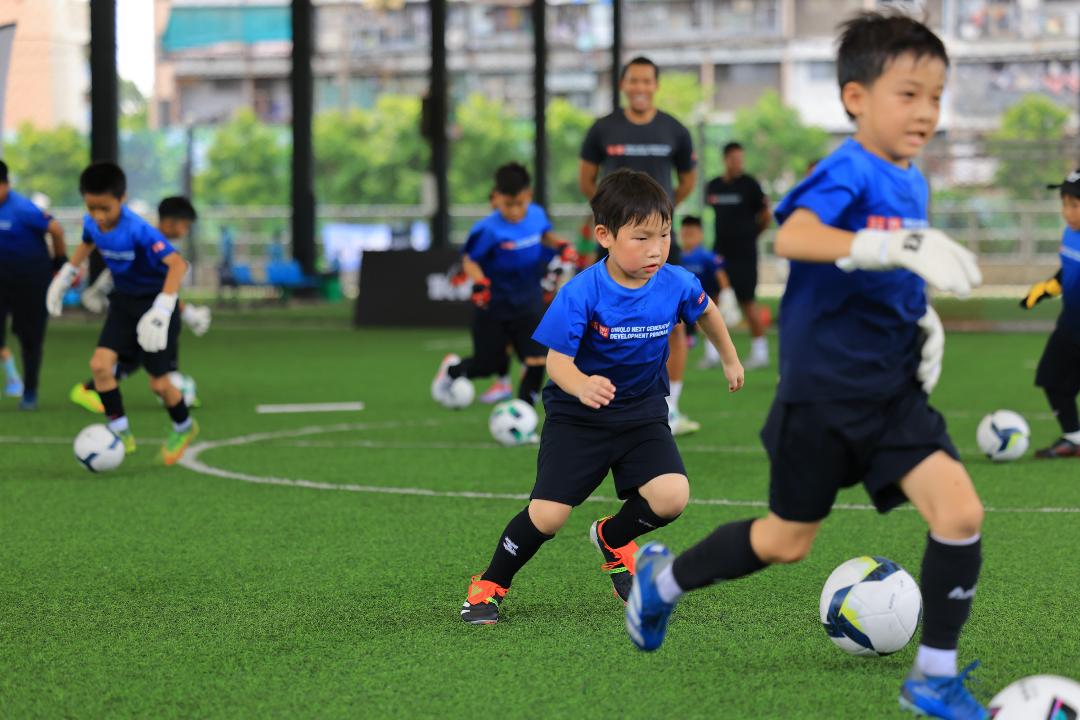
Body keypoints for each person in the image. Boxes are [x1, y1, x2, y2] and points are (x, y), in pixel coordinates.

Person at [626, 13, 989, 720]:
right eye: (908, 94)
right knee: (786, 542)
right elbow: (794, 235)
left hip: (891, 395)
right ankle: (661, 582)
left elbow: (893, 270)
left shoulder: (913, 180)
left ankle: (934, 678)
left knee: (960, 512)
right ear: (856, 97)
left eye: (936, 97)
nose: (925, 112)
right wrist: (888, 247)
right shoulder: (849, 168)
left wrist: (922, 317)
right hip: (821, 398)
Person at [459, 169, 743, 625]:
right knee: (548, 517)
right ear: (605, 236)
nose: (656, 249)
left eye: (664, 235)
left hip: (642, 413)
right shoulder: (581, 292)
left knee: (672, 496)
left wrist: (729, 358)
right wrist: (581, 385)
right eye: (642, 237)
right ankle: (490, 583)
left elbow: (706, 311)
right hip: (579, 418)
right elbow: (556, 363)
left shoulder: (675, 281)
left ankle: (613, 538)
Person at [578, 56, 700, 436]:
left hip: (659, 244)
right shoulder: (602, 129)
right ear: (623, 85)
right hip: (616, 243)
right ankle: (602, 398)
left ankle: (670, 407)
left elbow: (688, 180)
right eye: (634, 81)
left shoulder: (675, 130)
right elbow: (586, 179)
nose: (640, 88)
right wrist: (612, 216)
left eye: (647, 81)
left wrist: (658, 218)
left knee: (673, 321)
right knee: (602, 319)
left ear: (656, 85)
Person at [47, 163, 200, 465]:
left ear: (122, 199)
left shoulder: (139, 230)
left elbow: (178, 265)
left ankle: (184, 427)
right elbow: (88, 242)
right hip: (123, 304)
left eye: (105, 208)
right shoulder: (92, 222)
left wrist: (163, 307)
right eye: (91, 207)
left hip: (155, 307)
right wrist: (66, 275)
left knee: (159, 384)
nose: (98, 215)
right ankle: (121, 432)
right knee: (100, 367)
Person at [432, 163, 575, 416]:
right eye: (508, 204)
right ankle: (452, 371)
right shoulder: (487, 229)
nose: (515, 211)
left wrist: (561, 245)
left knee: (537, 360)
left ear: (528, 195)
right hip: (495, 304)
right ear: (496, 198)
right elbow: (470, 260)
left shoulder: (537, 215)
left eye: (520, 203)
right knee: (487, 365)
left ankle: (522, 415)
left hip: (528, 300)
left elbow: (544, 235)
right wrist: (480, 283)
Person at [69, 196, 209, 414]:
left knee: (138, 358)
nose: (186, 231)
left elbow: (165, 291)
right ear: (172, 222)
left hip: (152, 311)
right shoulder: (149, 244)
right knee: (137, 358)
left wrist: (186, 312)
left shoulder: (158, 245)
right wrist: (188, 313)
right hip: (137, 312)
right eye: (186, 225)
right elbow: (136, 280)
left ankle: (172, 392)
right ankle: (91, 389)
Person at [1019, 169, 1080, 458]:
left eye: (1074, 205)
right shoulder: (1070, 233)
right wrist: (1047, 289)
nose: (1067, 212)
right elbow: (1068, 270)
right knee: (1052, 379)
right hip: (1070, 324)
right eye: (1064, 204)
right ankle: (1074, 438)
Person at [0, 160, 67, 410]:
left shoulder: (23, 209)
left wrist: (60, 262)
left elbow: (56, 229)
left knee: (30, 338)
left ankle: (29, 391)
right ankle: (12, 377)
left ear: (5, 185)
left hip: (30, 281)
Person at [705, 142, 771, 369]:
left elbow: (766, 215)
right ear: (725, 160)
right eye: (734, 159)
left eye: (740, 159)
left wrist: (753, 234)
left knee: (748, 302)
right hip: (720, 254)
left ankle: (760, 353)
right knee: (711, 300)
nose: (737, 163)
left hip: (745, 255)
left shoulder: (750, 185)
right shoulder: (713, 186)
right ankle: (712, 354)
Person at [678, 216, 742, 369]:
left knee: (708, 324)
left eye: (692, 233)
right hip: (683, 300)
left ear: (700, 234)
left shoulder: (706, 256)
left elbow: (720, 275)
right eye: (685, 233)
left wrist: (727, 294)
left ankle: (712, 355)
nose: (688, 237)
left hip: (707, 298)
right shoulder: (677, 256)